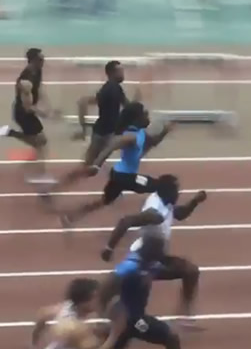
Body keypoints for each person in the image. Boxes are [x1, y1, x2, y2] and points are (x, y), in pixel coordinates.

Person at [100, 174, 208, 326]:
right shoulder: (154, 213)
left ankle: (183, 315)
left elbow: (179, 214)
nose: (178, 193)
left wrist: (195, 202)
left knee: (191, 271)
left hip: (158, 257)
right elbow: (126, 221)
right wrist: (109, 247)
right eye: (176, 190)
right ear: (166, 192)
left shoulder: (166, 200)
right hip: (142, 257)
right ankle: (105, 319)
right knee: (119, 286)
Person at [60, 102, 174, 228]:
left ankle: (70, 217)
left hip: (117, 175)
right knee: (160, 186)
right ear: (136, 119)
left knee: (103, 201)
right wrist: (96, 165)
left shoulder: (141, 132)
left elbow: (153, 142)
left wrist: (165, 131)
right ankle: (145, 220)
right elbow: (110, 148)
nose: (147, 115)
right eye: (144, 114)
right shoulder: (130, 136)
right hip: (126, 178)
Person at [45, 60, 143, 199]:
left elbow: (127, 108)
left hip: (106, 133)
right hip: (104, 134)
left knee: (92, 166)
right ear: (112, 73)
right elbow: (83, 102)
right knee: (89, 168)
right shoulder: (109, 89)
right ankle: (53, 189)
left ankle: (54, 189)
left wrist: (135, 103)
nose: (123, 73)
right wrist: (83, 128)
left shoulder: (115, 88)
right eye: (120, 71)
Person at [96, 237, 182, 349]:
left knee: (119, 341)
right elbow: (108, 284)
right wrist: (104, 311)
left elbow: (167, 269)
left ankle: (121, 331)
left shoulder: (151, 264)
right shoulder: (130, 267)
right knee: (171, 337)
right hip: (135, 320)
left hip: (129, 318)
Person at [0, 48, 58, 184]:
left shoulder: (37, 70)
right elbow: (28, 107)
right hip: (23, 114)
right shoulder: (25, 82)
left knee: (40, 142)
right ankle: (40, 175)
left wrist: (49, 108)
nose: (44, 61)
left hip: (28, 112)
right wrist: (44, 114)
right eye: (41, 59)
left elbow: (39, 90)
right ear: (33, 61)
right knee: (41, 144)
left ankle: (9, 132)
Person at [30, 277, 103, 349]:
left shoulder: (66, 307)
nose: (99, 301)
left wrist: (35, 340)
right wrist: (113, 334)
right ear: (83, 303)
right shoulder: (77, 328)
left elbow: (43, 314)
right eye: (95, 298)